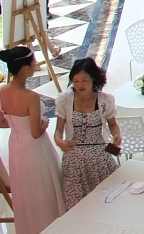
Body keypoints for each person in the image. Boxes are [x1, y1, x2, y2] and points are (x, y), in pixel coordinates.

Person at [0, 46, 65, 233]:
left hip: (16, 149)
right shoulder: (31, 97)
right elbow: (35, 132)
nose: (35, 65)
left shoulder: (1, 91)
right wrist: (44, 123)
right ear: (25, 68)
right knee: (43, 189)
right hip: (35, 150)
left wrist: (18, 125)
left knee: (25, 191)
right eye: (33, 62)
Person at [54, 58, 121, 209]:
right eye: (76, 81)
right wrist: (59, 141)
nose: (80, 85)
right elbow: (58, 130)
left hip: (100, 155)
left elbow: (112, 125)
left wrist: (116, 135)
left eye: (84, 81)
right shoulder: (65, 100)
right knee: (77, 205)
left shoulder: (104, 100)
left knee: (108, 200)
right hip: (74, 159)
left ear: (93, 78)